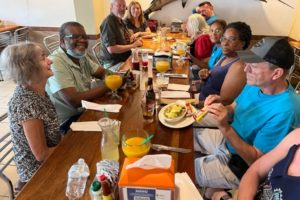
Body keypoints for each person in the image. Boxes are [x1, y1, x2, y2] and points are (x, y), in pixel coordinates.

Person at [194, 37, 300, 199]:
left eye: (254, 66)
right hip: (226, 140)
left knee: (182, 167)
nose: (245, 70)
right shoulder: (256, 83)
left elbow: (256, 161)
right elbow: (234, 109)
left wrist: (225, 128)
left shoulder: (286, 110)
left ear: (276, 73)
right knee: (186, 133)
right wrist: (223, 108)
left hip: (240, 164)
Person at [0, 43, 61, 191]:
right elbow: (42, 155)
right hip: (37, 175)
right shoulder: (27, 103)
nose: (50, 60)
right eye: (43, 58)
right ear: (28, 68)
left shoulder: (37, 91)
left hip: (53, 157)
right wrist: (73, 147)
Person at [46, 21, 110, 132]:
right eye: (75, 37)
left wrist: (116, 77)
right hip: (66, 123)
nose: (82, 40)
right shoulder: (55, 62)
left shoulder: (81, 56)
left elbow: (102, 73)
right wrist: (109, 85)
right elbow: (74, 100)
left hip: (85, 110)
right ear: (62, 42)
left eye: (84, 37)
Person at [212, 128, 300, 200]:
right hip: (247, 191)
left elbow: (254, 157)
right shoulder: (297, 136)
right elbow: (256, 170)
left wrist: (225, 128)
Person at [198, 22, 252, 103]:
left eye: (231, 39)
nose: (225, 43)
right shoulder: (226, 56)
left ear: (242, 43)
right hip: (201, 97)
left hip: (206, 109)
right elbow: (213, 80)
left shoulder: (239, 66)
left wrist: (192, 105)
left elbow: (224, 101)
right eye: (224, 38)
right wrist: (204, 76)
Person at [100, 0, 143, 67]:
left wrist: (134, 39)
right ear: (111, 7)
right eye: (119, 5)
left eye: (124, 6)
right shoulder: (109, 22)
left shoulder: (120, 21)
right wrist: (133, 45)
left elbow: (127, 39)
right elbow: (111, 49)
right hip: (114, 63)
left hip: (125, 58)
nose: (122, 8)